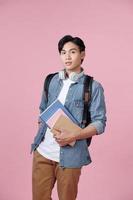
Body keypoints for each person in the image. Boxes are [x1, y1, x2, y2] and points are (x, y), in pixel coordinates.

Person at [31, 35, 107, 200]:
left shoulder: (93, 87)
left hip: (71, 157)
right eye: (63, 52)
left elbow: (100, 123)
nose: (67, 56)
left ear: (82, 54)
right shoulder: (50, 80)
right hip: (43, 153)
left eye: (72, 52)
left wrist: (74, 135)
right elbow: (43, 109)